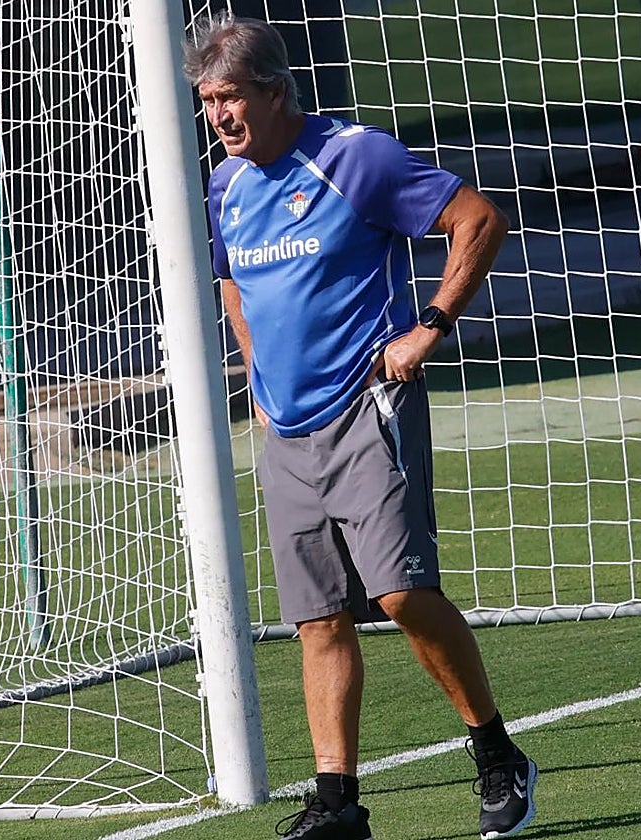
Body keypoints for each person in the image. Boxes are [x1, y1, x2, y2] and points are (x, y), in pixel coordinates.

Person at [183, 13, 536, 840]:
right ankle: (339, 804)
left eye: (232, 97)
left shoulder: (355, 157)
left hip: (367, 409)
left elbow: (477, 220)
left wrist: (432, 325)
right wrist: (255, 374)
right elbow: (231, 280)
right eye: (207, 102)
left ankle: (496, 756)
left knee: (402, 592)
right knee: (319, 619)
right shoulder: (224, 186)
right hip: (286, 433)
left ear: (275, 91)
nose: (221, 117)